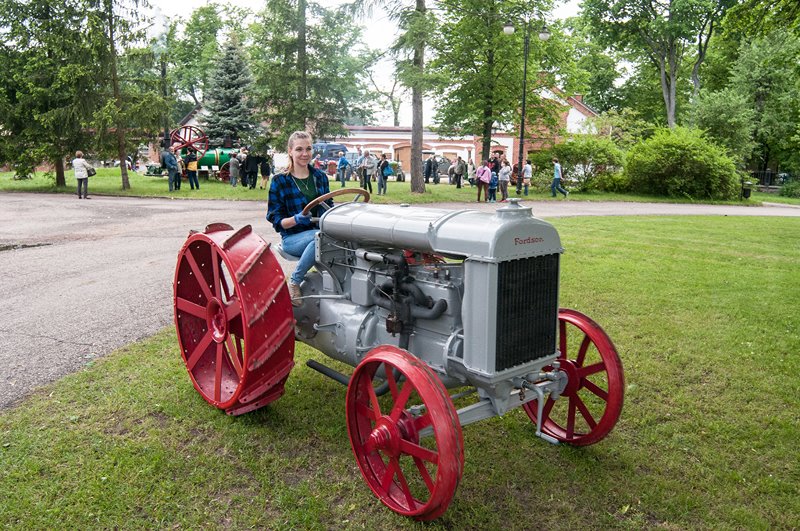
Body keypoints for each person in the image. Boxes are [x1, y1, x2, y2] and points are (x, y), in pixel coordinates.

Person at [267, 131, 333, 306]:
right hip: (292, 239)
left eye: (308, 149)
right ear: (290, 151)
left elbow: (329, 206)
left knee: (342, 239)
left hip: (320, 234)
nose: (305, 154)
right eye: (299, 149)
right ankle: (295, 281)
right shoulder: (280, 181)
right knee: (319, 237)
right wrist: (295, 219)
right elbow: (275, 219)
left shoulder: (320, 177)